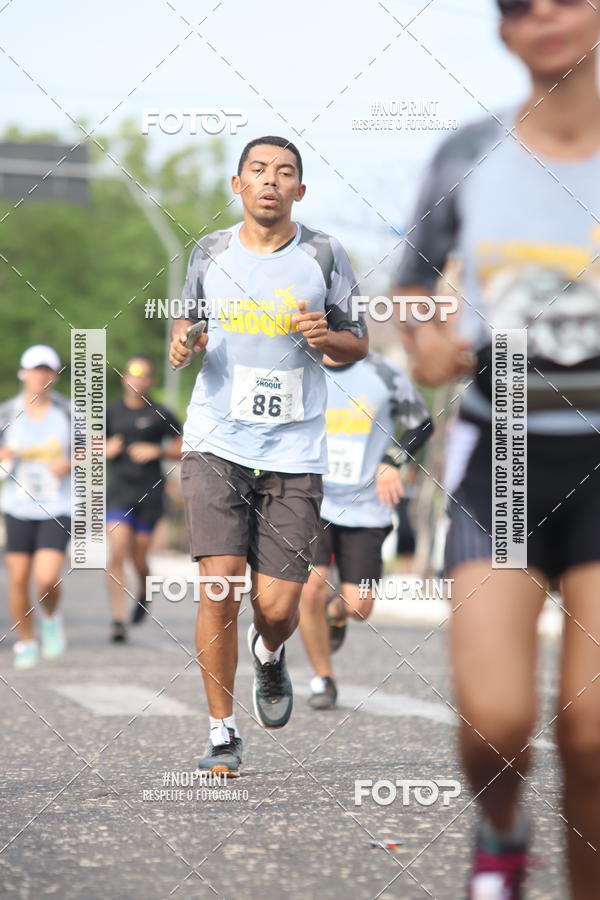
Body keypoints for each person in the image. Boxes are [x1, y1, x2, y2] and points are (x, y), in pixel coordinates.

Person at [395, 1, 600, 896]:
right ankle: (503, 826)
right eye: (521, 4)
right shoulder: (466, 154)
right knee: (495, 722)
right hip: (504, 454)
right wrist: (428, 342)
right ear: (504, 33)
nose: (546, 16)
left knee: (595, 735)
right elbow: (411, 287)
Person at [169, 135, 368, 776]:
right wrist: (184, 342)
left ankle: (271, 652)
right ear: (238, 184)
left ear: (299, 192)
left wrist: (328, 336)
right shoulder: (209, 252)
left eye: (285, 173)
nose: (270, 182)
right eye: (258, 171)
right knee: (220, 587)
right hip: (216, 439)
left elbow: (357, 344)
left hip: (296, 444)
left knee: (278, 607)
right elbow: (186, 322)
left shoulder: (326, 254)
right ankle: (222, 733)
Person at [299, 352, 432, 709]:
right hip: (314, 498)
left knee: (359, 607)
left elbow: (422, 423)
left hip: (368, 507)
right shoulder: (299, 364)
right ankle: (322, 678)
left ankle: (336, 612)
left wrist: (394, 460)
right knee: (311, 587)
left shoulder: (384, 373)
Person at [0, 346, 71, 669]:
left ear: (54, 376)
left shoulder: (70, 413)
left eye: (47, 370)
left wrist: (70, 463)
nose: (40, 376)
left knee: (46, 578)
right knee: (17, 580)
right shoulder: (6, 413)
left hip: (57, 506)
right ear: (23, 373)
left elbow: (93, 453)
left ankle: (51, 616)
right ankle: (26, 641)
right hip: (17, 504)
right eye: (35, 369)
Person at [105, 357, 181, 643]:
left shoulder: (161, 412)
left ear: (150, 381)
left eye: (143, 376)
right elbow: (88, 446)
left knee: (139, 558)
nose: (137, 381)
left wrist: (157, 452)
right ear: (125, 379)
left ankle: (144, 588)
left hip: (150, 494)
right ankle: (118, 619)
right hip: (119, 493)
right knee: (117, 552)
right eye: (132, 375)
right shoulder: (111, 411)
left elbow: (183, 447)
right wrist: (106, 449)